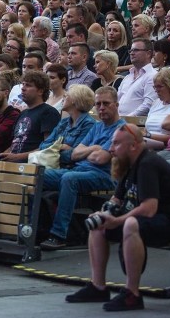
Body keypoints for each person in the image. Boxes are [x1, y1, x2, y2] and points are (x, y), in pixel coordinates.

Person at [65, 123, 170, 312]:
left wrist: (117, 220)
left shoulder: (148, 163)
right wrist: (105, 213)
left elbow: (149, 209)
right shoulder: (129, 164)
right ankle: (98, 287)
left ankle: (132, 294)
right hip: (157, 219)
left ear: (134, 145)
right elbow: (116, 200)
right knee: (98, 225)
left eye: (116, 144)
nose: (111, 149)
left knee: (130, 223)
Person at [40, 87, 124, 250]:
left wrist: (88, 151)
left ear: (116, 105)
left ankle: (59, 235)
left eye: (106, 104)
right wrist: (95, 148)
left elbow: (101, 159)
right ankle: (34, 230)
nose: (101, 108)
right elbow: (74, 154)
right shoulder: (97, 127)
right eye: (98, 104)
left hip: (104, 176)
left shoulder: (120, 129)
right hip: (79, 170)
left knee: (69, 179)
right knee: (37, 174)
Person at [0, 71, 62, 162]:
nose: (23, 88)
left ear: (40, 91)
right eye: (23, 84)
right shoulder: (22, 114)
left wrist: (18, 157)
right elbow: (14, 144)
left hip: (32, 166)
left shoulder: (49, 112)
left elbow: (48, 147)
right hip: (12, 164)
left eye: (28, 85)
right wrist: (1, 155)